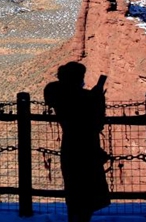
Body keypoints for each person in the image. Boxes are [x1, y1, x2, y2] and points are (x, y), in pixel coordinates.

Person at [43, 62, 110, 222]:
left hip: (69, 147)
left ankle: (74, 218)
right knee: (88, 190)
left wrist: (91, 96)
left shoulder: (58, 94)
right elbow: (97, 122)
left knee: (73, 188)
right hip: (88, 148)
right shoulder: (85, 99)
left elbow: (58, 93)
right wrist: (98, 96)